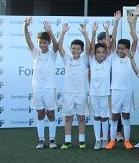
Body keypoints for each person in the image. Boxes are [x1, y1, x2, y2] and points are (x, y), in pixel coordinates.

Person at [23, 17, 59, 149]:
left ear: (48, 42)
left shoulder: (52, 54)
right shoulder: (35, 53)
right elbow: (27, 40)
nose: (42, 45)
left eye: (44, 43)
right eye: (40, 43)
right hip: (37, 88)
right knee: (40, 114)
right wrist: (25, 26)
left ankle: (52, 139)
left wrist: (50, 31)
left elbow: (57, 45)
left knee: (51, 114)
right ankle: (41, 140)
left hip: (49, 88)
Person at [106, 12, 138, 150]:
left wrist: (131, 22)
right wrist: (117, 22)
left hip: (127, 91)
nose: (119, 50)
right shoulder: (113, 56)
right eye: (118, 48)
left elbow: (135, 40)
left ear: (128, 49)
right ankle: (112, 140)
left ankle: (126, 140)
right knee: (114, 116)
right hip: (115, 90)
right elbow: (111, 42)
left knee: (126, 116)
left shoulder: (131, 55)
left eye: (122, 48)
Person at [58, 22, 90, 149]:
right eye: (73, 48)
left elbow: (89, 48)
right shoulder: (67, 59)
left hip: (81, 93)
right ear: (70, 49)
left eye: (78, 48)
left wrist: (84, 33)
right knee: (68, 118)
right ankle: (67, 141)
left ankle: (82, 141)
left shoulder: (84, 59)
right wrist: (63, 32)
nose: (75, 50)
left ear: (81, 51)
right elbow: (59, 47)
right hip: (68, 93)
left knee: (81, 118)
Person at [88, 20, 113, 150]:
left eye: (103, 52)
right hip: (93, 94)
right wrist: (93, 32)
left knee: (104, 117)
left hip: (105, 94)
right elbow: (92, 47)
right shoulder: (92, 61)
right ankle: (97, 140)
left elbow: (108, 47)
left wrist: (107, 30)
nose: (101, 54)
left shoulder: (108, 61)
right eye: (98, 52)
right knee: (96, 117)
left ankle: (105, 139)